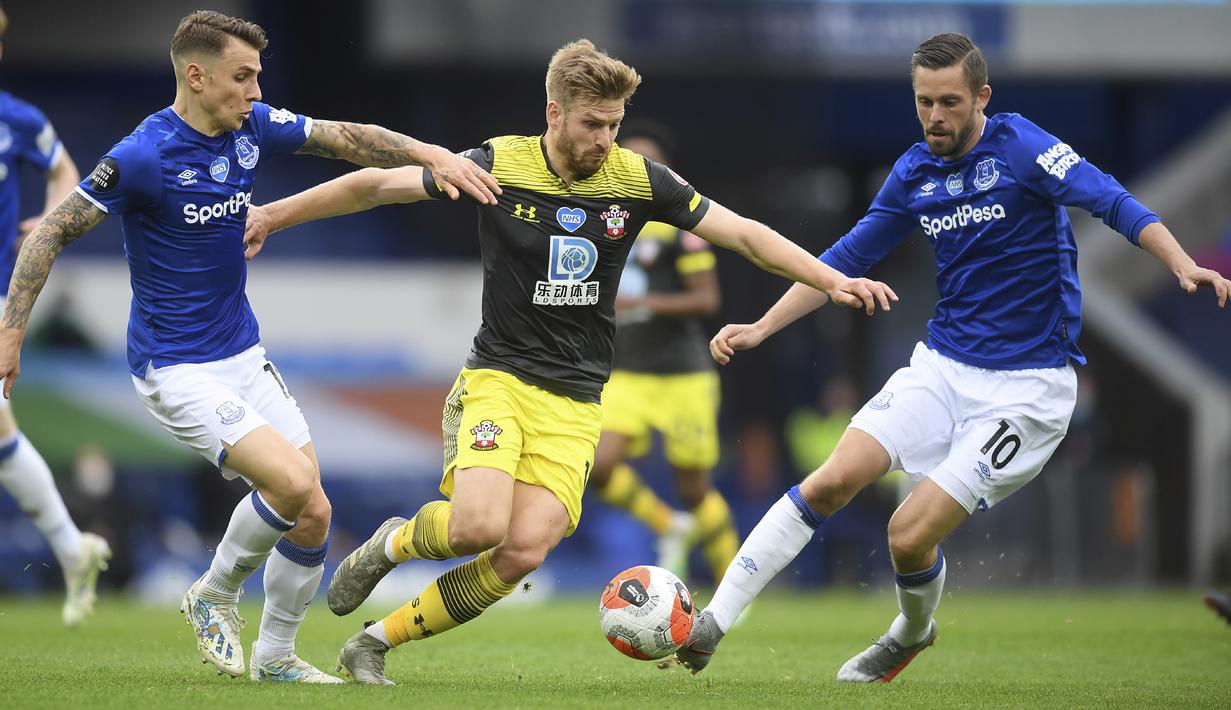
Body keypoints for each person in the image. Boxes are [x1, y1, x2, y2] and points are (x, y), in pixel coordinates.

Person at [242, 38, 896, 685]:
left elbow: (742, 233)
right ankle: (393, 543)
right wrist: (273, 212)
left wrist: (827, 280)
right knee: (476, 528)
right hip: (497, 380)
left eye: (613, 124)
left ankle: (372, 644)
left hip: (578, 398)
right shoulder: (498, 164)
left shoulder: (637, 180)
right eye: (591, 124)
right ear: (553, 113)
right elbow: (376, 187)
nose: (604, 139)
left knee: (521, 550)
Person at [672, 32, 1231, 681]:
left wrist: (1181, 263)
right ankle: (713, 622)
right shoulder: (914, 172)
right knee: (829, 481)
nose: (934, 116)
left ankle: (910, 631)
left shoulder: (1021, 146)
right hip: (941, 367)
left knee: (906, 535)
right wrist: (762, 327)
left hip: (1028, 390)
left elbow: (1110, 200)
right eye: (922, 102)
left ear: (980, 97)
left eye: (947, 102)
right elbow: (843, 261)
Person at [0, 10, 499, 683]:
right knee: (291, 484)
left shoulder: (252, 127)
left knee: (313, 513)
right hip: (175, 368)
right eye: (243, 78)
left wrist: (429, 154)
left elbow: (347, 138)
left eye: (259, 76)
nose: (256, 92)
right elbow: (49, 232)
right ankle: (212, 592)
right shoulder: (144, 155)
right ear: (197, 76)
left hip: (242, 353)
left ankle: (277, 658)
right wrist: (10, 334)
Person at [587, 123, 739, 583]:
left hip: (682, 374)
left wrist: (642, 304)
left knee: (694, 489)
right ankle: (667, 525)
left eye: (648, 164)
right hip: (627, 372)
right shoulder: (601, 218)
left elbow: (707, 299)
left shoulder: (682, 225)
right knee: (597, 466)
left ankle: (733, 580)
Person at [0, 3, 111, 628]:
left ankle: (72, 551)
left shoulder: (17, 120)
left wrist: (47, 215)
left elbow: (66, 172)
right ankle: (73, 550)